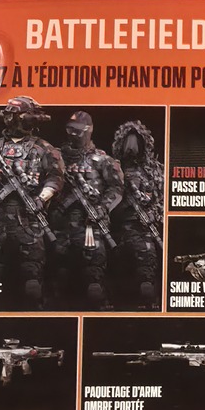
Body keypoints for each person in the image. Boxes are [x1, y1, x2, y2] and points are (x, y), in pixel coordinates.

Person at [0, 97, 63, 307]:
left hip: (28, 220)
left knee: (32, 281)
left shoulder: (44, 148)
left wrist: (41, 198)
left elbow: (56, 178)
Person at [48, 111, 123, 308]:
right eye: (70, 130)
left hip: (90, 226)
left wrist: (102, 208)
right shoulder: (56, 156)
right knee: (59, 277)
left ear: (89, 131)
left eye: (78, 131)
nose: (74, 135)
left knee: (94, 280)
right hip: (61, 225)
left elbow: (117, 188)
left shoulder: (102, 160)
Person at [109, 119, 164, 308]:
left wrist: (153, 214)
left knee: (146, 277)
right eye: (128, 142)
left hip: (143, 229)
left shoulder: (154, 171)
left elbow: (160, 199)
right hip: (116, 230)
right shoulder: (113, 169)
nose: (131, 148)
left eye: (135, 142)